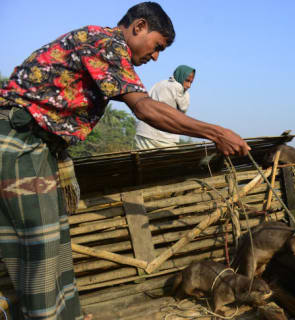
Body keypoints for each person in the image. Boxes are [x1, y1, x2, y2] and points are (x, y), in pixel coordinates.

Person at [0, 2, 249, 319]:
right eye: (157, 46)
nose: (156, 56)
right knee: (39, 250)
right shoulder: (106, 43)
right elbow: (145, 108)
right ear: (139, 26)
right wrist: (216, 133)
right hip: (18, 141)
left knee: (57, 243)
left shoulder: (107, 48)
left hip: (40, 147)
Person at [135, 64, 195, 149]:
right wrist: (185, 94)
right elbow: (183, 108)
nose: (189, 85)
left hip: (143, 132)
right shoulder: (177, 86)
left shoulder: (160, 83)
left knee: (144, 160)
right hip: (161, 136)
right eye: (187, 81)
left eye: (191, 82)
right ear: (181, 76)